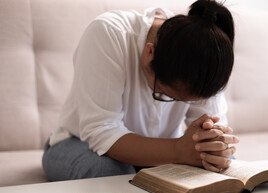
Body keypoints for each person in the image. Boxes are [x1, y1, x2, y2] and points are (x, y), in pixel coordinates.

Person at [42, 0, 239, 181]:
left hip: (162, 153)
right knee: (111, 173)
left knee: (221, 165)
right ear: (149, 53)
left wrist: (213, 144)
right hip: (79, 144)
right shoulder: (109, 34)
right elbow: (102, 132)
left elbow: (213, 124)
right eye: (166, 95)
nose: (177, 102)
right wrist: (179, 150)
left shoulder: (205, 52)